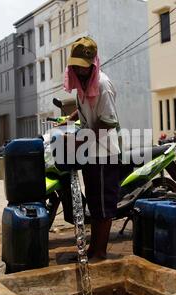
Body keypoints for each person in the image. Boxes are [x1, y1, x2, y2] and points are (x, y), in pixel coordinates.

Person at [62, 37, 121, 261]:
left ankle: (100, 251)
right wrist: (69, 119)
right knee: (95, 205)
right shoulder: (81, 85)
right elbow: (84, 105)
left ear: (93, 65)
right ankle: (93, 249)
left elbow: (107, 122)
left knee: (104, 207)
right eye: (75, 65)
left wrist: (78, 141)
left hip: (105, 154)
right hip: (91, 153)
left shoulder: (103, 85)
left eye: (83, 66)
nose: (79, 69)